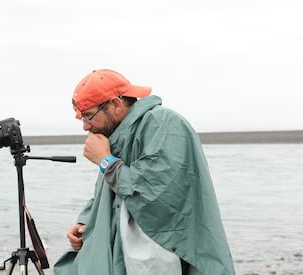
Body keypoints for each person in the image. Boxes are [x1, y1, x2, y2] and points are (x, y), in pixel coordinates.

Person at [54, 69, 235, 275]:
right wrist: (87, 221)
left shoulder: (163, 124)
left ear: (115, 104)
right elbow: (110, 194)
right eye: (81, 118)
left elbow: (156, 194)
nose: (85, 127)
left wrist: (106, 161)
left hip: (164, 257)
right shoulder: (116, 136)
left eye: (89, 116)